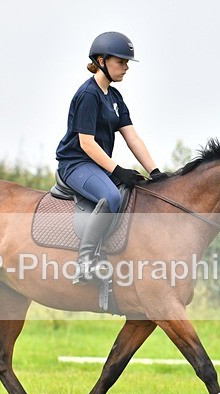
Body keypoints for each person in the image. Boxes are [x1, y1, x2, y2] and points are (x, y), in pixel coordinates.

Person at [56, 31, 168, 284]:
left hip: (97, 164)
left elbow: (132, 137)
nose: (126, 67)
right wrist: (118, 171)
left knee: (138, 191)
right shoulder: (88, 95)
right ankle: (85, 262)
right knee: (112, 197)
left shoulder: (115, 97)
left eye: (127, 62)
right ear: (101, 60)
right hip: (75, 164)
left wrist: (155, 172)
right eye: (121, 61)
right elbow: (86, 143)